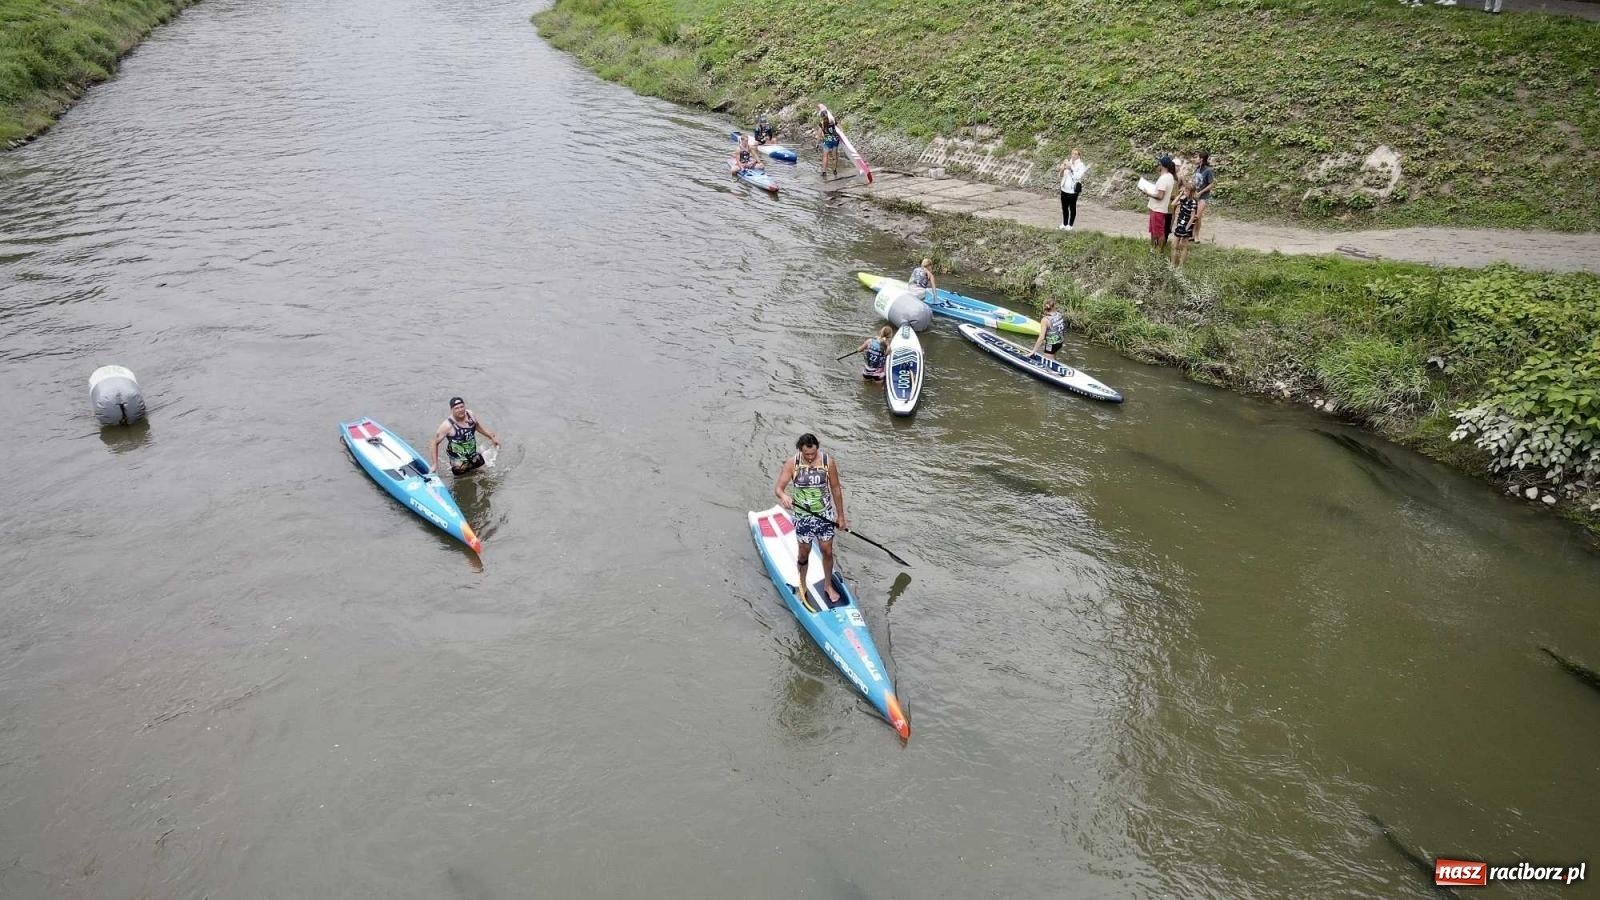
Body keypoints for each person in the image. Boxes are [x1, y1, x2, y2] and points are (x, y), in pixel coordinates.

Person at [774, 433, 848, 604]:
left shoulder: (827, 462)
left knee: (827, 551)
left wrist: (841, 517)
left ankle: (828, 585)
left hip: (824, 514)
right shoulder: (792, 463)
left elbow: (836, 489)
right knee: (803, 554)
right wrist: (783, 496)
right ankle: (802, 584)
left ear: (817, 449)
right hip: (803, 517)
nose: (810, 457)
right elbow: (778, 488)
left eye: (813, 454)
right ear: (800, 450)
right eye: (806, 454)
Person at [430, 397, 501, 476]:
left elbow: (477, 426)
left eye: (462, 406)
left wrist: (491, 437)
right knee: (462, 481)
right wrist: (434, 464)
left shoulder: (470, 414)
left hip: (472, 453)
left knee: (485, 475)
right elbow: (434, 443)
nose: (460, 410)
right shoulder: (447, 426)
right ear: (452, 410)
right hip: (458, 460)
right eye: (456, 408)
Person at [1139, 156, 1179, 251]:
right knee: (1154, 230)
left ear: (1162, 165)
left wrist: (1147, 192)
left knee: (1159, 232)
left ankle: (1158, 250)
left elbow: (1160, 196)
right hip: (1159, 208)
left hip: (1158, 208)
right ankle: (1154, 249)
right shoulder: (1170, 176)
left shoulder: (1164, 178)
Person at [1170, 183, 1199, 268]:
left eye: (1186, 190)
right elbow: (1173, 204)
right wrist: (1180, 195)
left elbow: (1192, 217)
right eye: (1184, 190)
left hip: (1186, 227)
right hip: (1179, 225)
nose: (1185, 191)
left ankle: (1181, 266)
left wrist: (1186, 228)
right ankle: (1172, 264)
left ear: (1191, 192)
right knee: (1173, 245)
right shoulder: (1183, 199)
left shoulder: (1193, 202)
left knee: (1184, 245)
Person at [1058, 149, 1088, 231]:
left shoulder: (1081, 165)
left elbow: (1078, 176)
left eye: (1075, 154)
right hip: (1064, 188)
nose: (1073, 155)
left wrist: (1071, 168)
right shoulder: (1068, 162)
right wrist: (1063, 168)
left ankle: (1070, 225)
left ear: (1079, 156)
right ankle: (1064, 223)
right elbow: (1061, 175)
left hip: (1073, 190)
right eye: (1072, 153)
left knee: (1072, 207)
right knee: (1064, 207)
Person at [1190, 151, 1215, 241]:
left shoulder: (1208, 170)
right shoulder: (1197, 169)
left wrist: (1201, 192)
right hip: (1194, 196)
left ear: (1201, 159)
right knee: (1192, 215)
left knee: (1198, 216)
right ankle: (1192, 235)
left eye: (1197, 157)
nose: (1195, 159)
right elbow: (1194, 181)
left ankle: (1196, 236)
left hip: (1203, 197)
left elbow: (1212, 184)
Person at [817, 107, 841, 179]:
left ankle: (824, 172)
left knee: (825, 156)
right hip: (835, 140)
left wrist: (817, 143)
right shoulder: (833, 121)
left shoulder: (822, 123)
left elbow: (819, 135)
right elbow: (840, 129)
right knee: (834, 156)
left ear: (821, 117)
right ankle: (835, 170)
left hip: (827, 141)